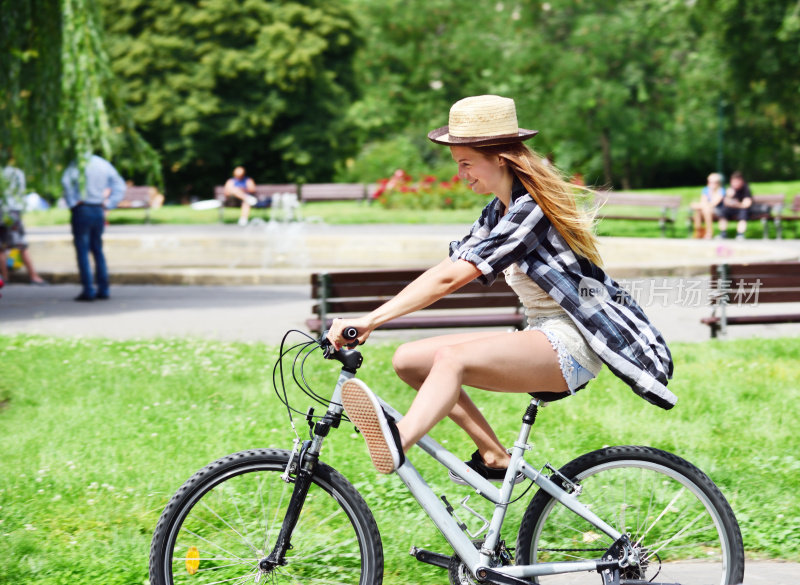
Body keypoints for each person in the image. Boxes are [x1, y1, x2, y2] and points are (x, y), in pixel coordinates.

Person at [327, 95, 675, 478]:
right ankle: (494, 456)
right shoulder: (498, 210)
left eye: (465, 163)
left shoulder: (532, 209)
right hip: (540, 335)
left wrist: (371, 320)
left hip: (571, 341)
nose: (460, 174)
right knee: (408, 360)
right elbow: (449, 265)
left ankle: (398, 441)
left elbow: (453, 278)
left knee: (450, 360)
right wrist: (373, 319)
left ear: (499, 158)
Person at [61, 154, 126, 301]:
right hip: (98, 209)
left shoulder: (77, 162)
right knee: (97, 250)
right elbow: (120, 185)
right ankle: (103, 289)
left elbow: (65, 181)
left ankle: (88, 290)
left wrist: (72, 201)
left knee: (83, 251)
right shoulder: (103, 163)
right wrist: (109, 204)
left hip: (82, 208)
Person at [1, 164, 49, 285]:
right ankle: (33, 276)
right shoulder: (17, 173)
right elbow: (20, 193)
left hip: (2, 210)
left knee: (2, 247)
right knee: (21, 245)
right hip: (13, 211)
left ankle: (5, 277)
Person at [716, 171, 752, 240]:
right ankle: (723, 233)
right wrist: (729, 196)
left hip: (742, 209)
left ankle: (740, 234)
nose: (735, 184)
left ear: (741, 181)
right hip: (732, 208)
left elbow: (746, 204)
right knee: (723, 211)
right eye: (733, 182)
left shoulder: (746, 188)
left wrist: (737, 204)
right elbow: (726, 202)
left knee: (743, 213)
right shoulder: (730, 189)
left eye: (736, 181)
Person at [690, 172, 725, 239]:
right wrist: (700, 205)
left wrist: (698, 205)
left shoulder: (721, 191)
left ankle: (709, 233)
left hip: (718, 212)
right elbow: (703, 202)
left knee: (706, 209)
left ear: (718, 183)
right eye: (710, 182)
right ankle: (699, 232)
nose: (712, 184)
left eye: (714, 182)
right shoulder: (706, 190)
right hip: (706, 211)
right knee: (699, 211)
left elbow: (714, 204)